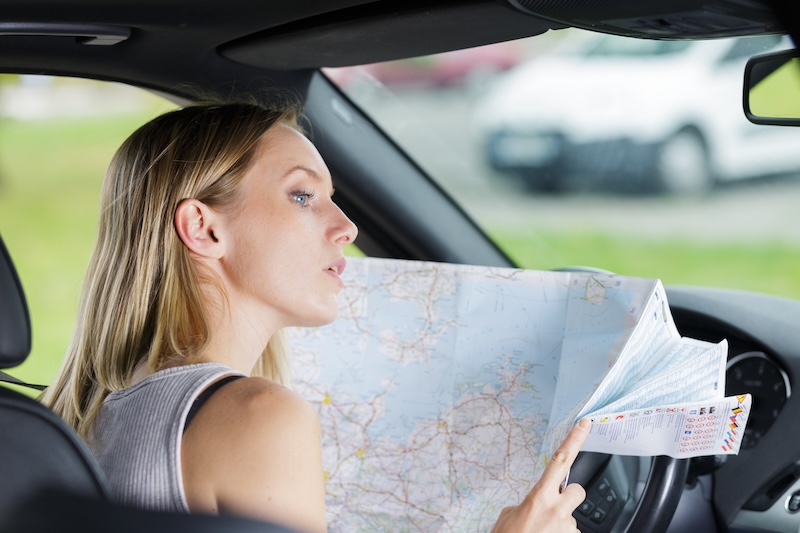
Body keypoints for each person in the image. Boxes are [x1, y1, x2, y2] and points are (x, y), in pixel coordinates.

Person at [41, 101, 589, 532]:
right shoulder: (257, 417)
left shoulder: (82, 412)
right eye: (303, 196)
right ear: (204, 229)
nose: (347, 227)